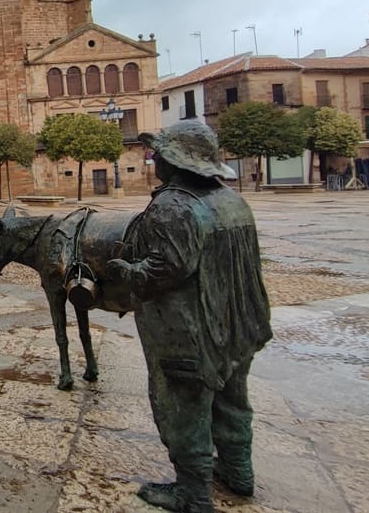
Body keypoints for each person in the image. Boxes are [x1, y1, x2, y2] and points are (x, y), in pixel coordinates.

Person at [105, 120, 272, 513]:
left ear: (175, 160)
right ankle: (237, 471)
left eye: (158, 153)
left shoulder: (172, 204)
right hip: (237, 324)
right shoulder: (231, 199)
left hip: (189, 331)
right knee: (232, 399)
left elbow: (163, 271)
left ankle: (193, 494)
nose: (153, 158)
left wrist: (124, 272)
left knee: (183, 407)